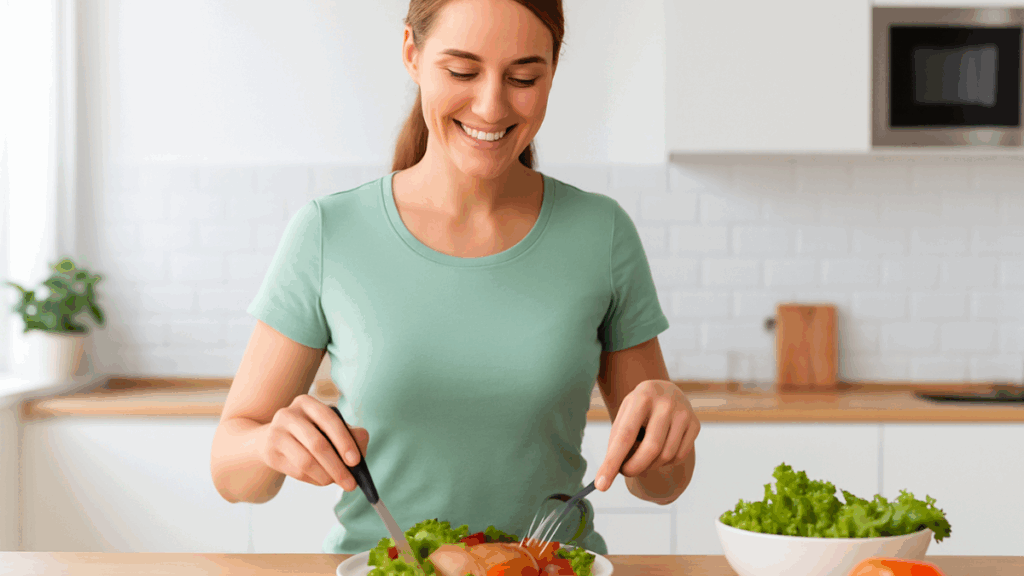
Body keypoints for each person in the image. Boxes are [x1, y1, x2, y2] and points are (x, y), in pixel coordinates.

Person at [210, 0, 701, 556]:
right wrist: (269, 447)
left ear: (553, 71)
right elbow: (231, 472)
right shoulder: (329, 233)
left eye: (523, 77)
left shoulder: (601, 234)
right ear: (412, 54)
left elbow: (660, 484)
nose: (491, 106)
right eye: (462, 72)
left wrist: (668, 433)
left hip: (552, 570)